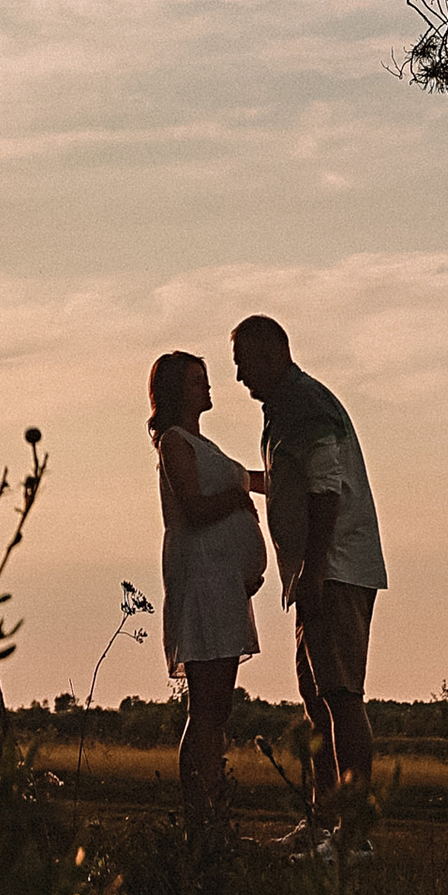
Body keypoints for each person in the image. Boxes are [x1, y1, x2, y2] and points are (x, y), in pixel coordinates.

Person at [229, 314, 385, 841]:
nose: (239, 378)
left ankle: (353, 834)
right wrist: (242, 481)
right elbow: (290, 484)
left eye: (243, 364)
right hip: (315, 573)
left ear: (273, 353)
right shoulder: (284, 411)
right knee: (318, 702)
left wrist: (315, 568)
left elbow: (325, 489)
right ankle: (322, 826)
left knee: (341, 696)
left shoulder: (304, 405)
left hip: (334, 569)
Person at [146, 347, 267, 846]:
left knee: (219, 708)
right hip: (202, 583)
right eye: (198, 382)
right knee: (206, 707)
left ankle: (213, 814)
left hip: (223, 583)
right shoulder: (175, 443)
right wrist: (237, 501)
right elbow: (193, 507)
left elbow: (255, 480)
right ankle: (203, 822)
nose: (209, 387)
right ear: (177, 392)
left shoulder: (205, 443)